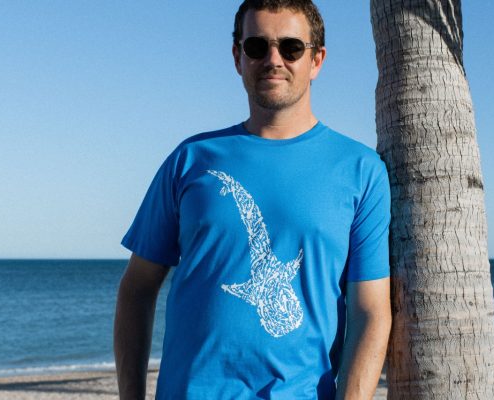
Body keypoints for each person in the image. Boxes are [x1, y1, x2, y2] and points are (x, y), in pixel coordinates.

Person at [114, 0, 392, 399]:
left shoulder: (360, 170)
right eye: (257, 46)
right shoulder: (190, 159)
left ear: (316, 60)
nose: (274, 59)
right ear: (237, 57)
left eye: (292, 48)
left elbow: (371, 311)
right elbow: (137, 288)